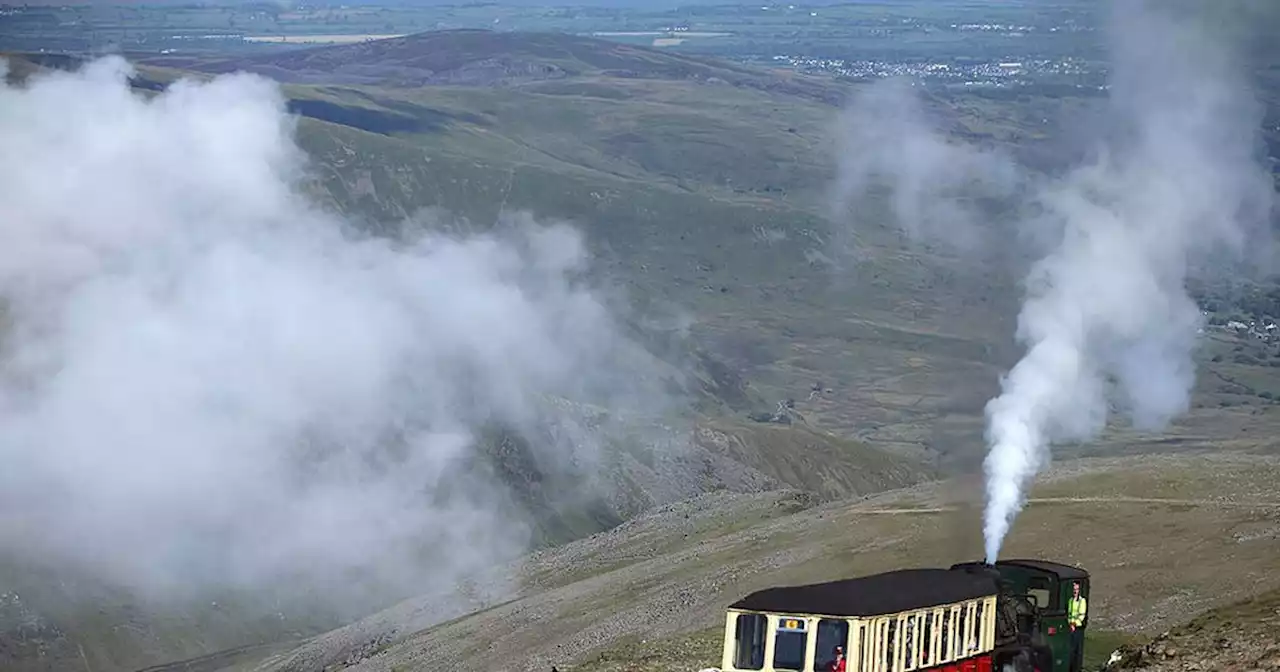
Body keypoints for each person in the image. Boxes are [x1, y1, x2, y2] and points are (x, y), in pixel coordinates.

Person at [1068, 582, 1088, 672]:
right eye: (1074, 590)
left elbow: (1081, 615)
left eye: (1076, 589)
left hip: (1077, 628)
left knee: (1077, 651)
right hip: (1070, 627)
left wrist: (1074, 624)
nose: (1075, 591)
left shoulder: (1082, 601)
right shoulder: (1070, 600)